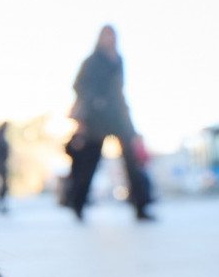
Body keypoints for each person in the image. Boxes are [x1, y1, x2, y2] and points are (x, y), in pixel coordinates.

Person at [66, 25, 154, 222]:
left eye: (113, 35)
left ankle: (141, 206)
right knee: (90, 162)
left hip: (118, 115)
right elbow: (78, 85)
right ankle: (78, 205)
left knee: (132, 161)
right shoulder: (92, 60)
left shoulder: (119, 60)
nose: (110, 39)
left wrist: (131, 125)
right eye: (107, 35)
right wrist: (95, 100)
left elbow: (120, 91)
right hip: (97, 118)